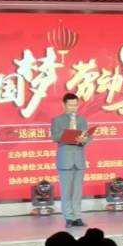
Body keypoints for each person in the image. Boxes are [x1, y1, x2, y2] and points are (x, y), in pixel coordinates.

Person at [51, 93, 92, 228]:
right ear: (64, 105)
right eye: (70, 105)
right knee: (66, 191)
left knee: (77, 191)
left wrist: (85, 140)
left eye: (75, 105)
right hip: (65, 160)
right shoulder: (57, 120)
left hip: (79, 159)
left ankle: (77, 217)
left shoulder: (82, 120)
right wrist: (68, 129)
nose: (73, 108)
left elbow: (88, 138)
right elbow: (55, 137)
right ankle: (68, 217)